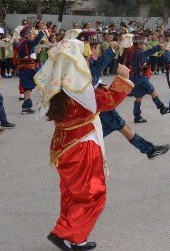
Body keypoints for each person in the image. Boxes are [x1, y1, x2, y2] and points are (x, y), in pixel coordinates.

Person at [37, 39, 134, 251]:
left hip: (63, 144)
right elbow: (107, 100)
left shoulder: (58, 85)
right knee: (93, 194)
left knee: (72, 193)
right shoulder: (77, 87)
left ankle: (76, 238)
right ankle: (63, 232)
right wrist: (123, 79)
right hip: (82, 145)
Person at [121, 35, 169, 123]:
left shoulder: (131, 51)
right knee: (152, 91)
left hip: (133, 78)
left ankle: (137, 116)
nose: (145, 45)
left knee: (138, 97)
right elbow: (147, 53)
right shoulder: (138, 53)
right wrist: (158, 47)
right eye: (144, 44)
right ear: (139, 44)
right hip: (140, 77)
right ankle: (161, 108)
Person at [15, 25, 45, 114]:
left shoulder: (21, 42)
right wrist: (42, 32)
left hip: (23, 68)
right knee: (44, 79)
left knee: (27, 87)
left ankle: (26, 108)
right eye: (32, 33)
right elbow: (36, 41)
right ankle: (46, 101)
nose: (33, 34)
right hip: (29, 67)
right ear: (28, 34)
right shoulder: (27, 42)